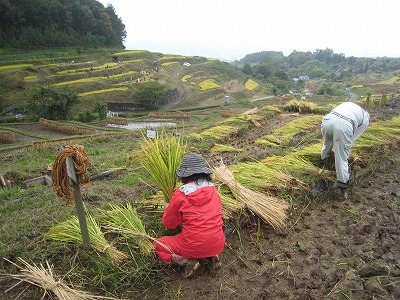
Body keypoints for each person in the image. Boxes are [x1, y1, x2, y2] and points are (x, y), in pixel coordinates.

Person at [153, 153, 225, 278]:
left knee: (157, 244)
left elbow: (170, 224)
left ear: (184, 174)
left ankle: (188, 261)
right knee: (206, 235)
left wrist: (168, 208)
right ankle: (212, 256)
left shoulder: (180, 194)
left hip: (193, 246)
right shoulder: (213, 190)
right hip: (218, 242)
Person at [320, 101, 370, 199]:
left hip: (327, 120)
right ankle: (343, 189)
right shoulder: (366, 120)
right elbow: (351, 138)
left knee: (326, 146)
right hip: (343, 125)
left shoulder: (351, 106)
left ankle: (323, 167)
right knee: (341, 157)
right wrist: (342, 148)